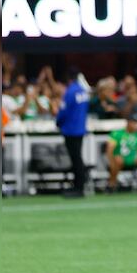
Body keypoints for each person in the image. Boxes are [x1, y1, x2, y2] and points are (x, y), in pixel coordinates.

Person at [55, 68, 90, 198]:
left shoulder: (70, 92)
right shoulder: (83, 91)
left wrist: (58, 122)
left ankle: (79, 188)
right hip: (80, 128)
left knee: (76, 159)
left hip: (70, 129)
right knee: (78, 158)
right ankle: (79, 185)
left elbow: (64, 111)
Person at [105, 114, 137, 192]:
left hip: (133, 158)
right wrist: (111, 161)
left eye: (136, 123)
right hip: (119, 158)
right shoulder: (117, 133)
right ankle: (111, 184)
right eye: (134, 123)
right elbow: (109, 149)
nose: (136, 125)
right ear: (128, 123)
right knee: (118, 160)